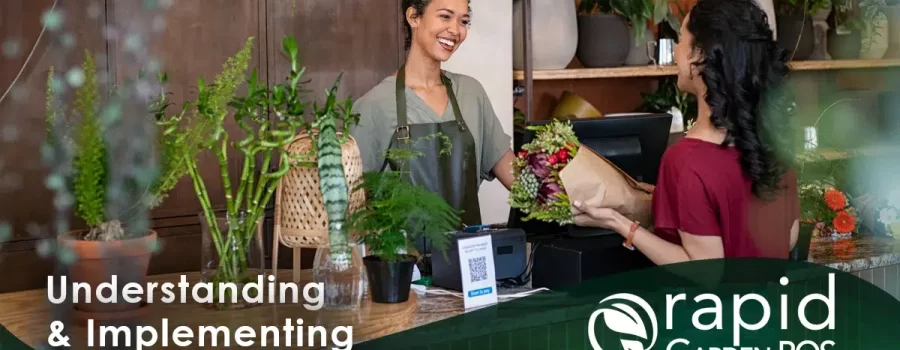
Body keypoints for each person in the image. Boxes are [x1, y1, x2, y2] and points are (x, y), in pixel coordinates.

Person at [571, 0, 800, 264]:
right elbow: (788, 238)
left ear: (698, 55)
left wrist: (619, 223)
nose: (676, 50)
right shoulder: (776, 146)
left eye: (680, 39)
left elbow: (706, 271)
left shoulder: (685, 160)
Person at [351, 0, 516, 228]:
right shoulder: (375, 105)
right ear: (413, 17)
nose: (456, 30)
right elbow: (354, 204)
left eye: (463, 21)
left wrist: (564, 204)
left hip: (467, 256)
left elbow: (515, 176)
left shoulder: (470, 93)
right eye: (445, 16)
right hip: (402, 260)